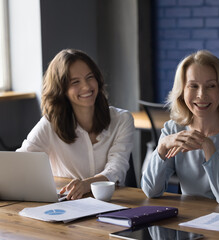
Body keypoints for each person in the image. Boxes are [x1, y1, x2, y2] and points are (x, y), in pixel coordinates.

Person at [141, 50, 219, 205]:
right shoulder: (172, 129)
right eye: (193, 86)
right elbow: (150, 191)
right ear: (182, 91)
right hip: (194, 218)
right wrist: (162, 147)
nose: (201, 95)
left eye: (211, 86)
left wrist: (207, 146)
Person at [17, 49, 135, 200]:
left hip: (114, 204)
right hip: (68, 206)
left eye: (89, 77)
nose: (86, 87)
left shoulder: (122, 120)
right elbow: (20, 164)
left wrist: (87, 184)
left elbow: (116, 169)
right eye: (75, 82)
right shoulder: (50, 124)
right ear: (61, 90)